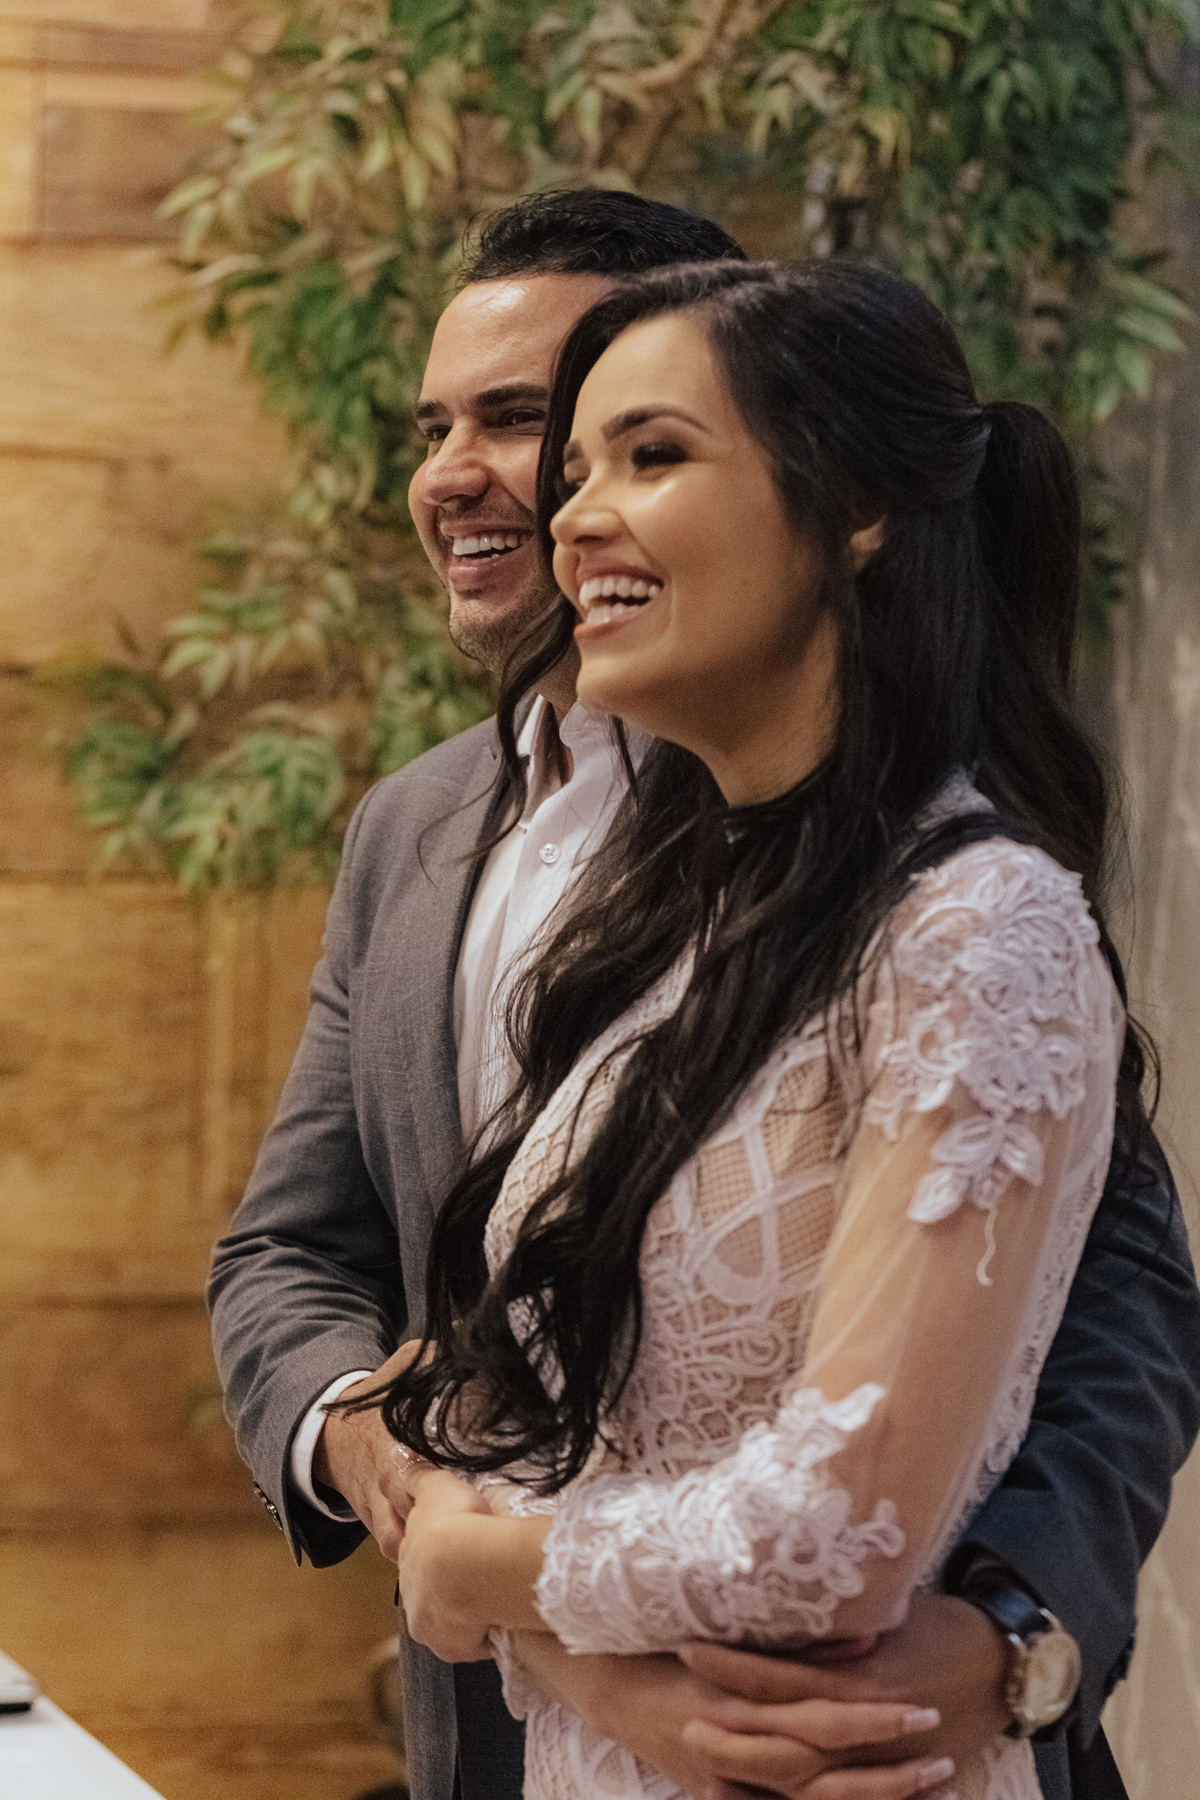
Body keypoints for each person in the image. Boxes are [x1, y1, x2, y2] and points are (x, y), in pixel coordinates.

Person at [207, 194, 1200, 1800]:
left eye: (552, 430)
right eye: (442, 430)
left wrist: (1013, 1633)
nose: (490, 481)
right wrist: (401, 1480)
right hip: (534, 1739)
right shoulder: (430, 831)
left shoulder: (948, 890)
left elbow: (1116, 1297)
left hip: (859, 1734)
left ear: (831, 487)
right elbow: (306, 1254)